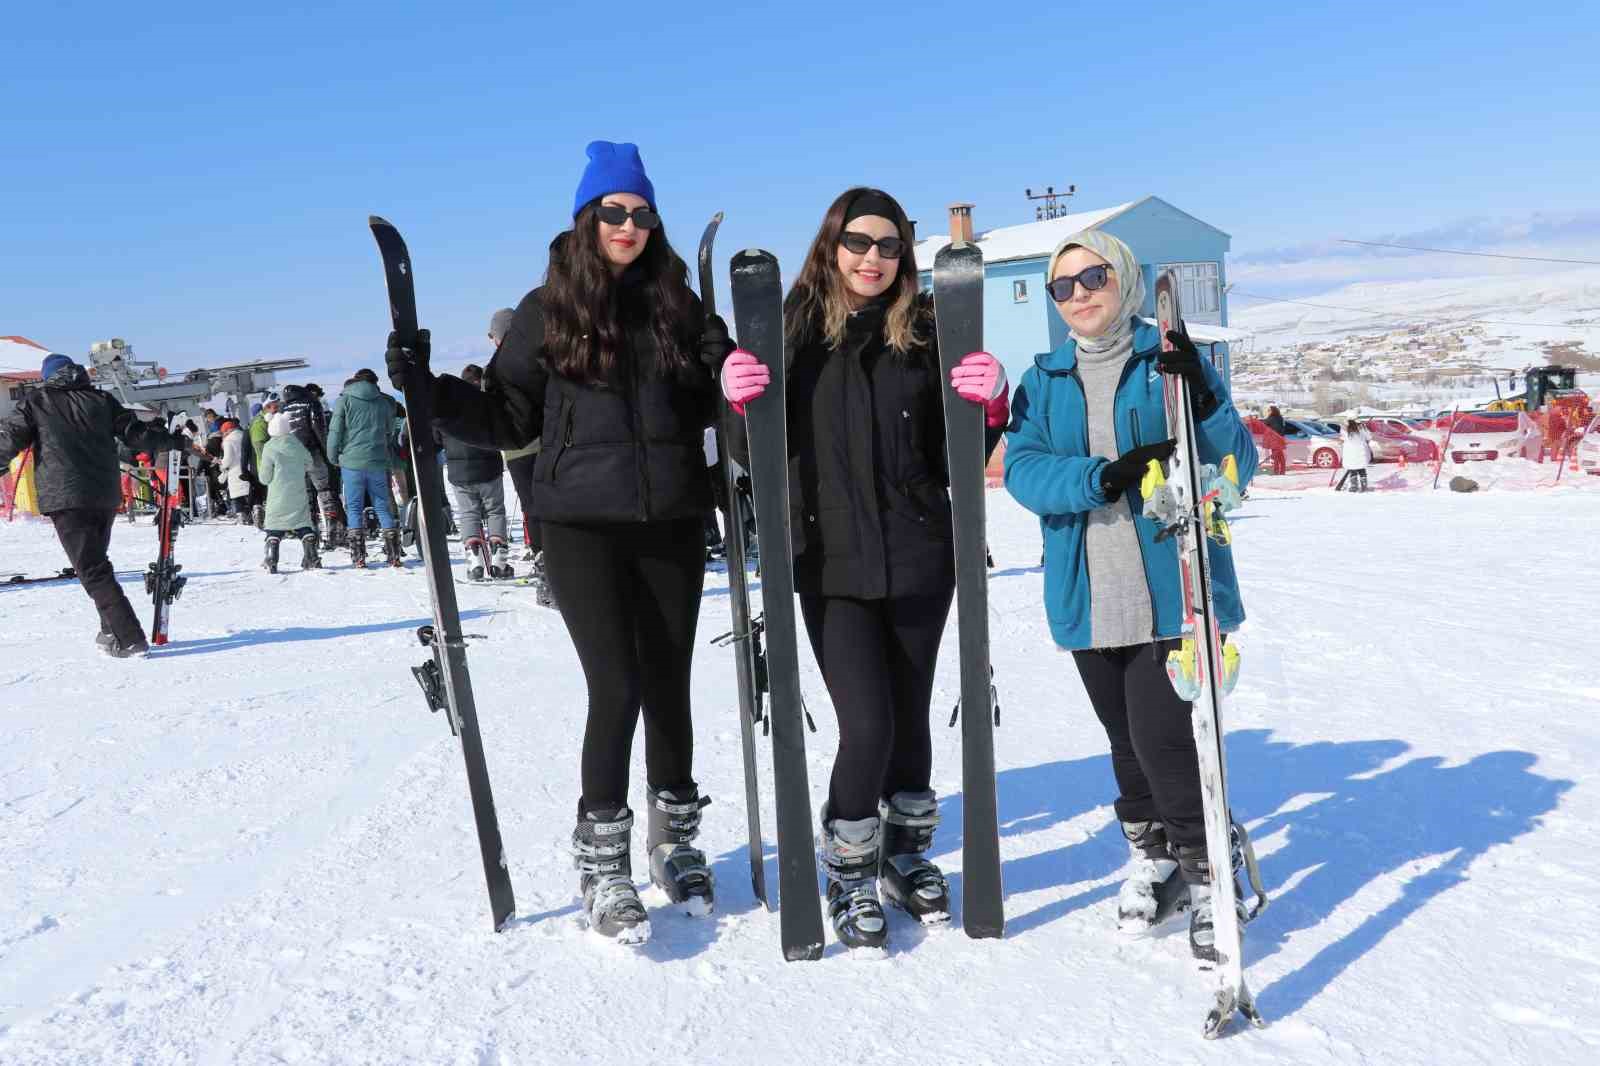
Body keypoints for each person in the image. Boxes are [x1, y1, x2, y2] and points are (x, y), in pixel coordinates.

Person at [386, 140, 724, 943]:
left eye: (641, 213)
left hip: (673, 519)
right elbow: (506, 415)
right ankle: (601, 859)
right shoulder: (547, 309)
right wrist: (429, 392)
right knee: (618, 685)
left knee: (670, 680)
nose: (628, 225)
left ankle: (674, 840)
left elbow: (717, 412)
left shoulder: (680, 304)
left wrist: (727, 370)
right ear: (587, 217)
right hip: (579, 524)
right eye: (614, 211)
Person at [718, 188, 1009, 950]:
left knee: (910, 716)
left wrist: (991, 405)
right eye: (858, 242)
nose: (873, 258)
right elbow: (759, 460)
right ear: (831, 245)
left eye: (888, 244)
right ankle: (849, 864)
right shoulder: (791, 334)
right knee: (868, 723)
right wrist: (736, 406)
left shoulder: (926, 335)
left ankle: (905, 854)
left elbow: (958, 456)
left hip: (921, 552)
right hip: (829, 562)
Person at [1002, 230, 1259, 962]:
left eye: (1093, 278)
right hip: (1089, 588)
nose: (1079, 294)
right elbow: (1023, 470)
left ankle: (1210, 871)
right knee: (1124, 741)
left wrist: (1203, 393)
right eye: (1063, 286)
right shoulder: (1044, 378)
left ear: (1125, 281)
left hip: (1173, 587)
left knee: (1164, 738)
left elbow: (1236, 461)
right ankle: (1153, 854)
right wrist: (1103, 477)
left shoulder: (1170, 361)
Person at [0, 353, 203, 656]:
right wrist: (170, 440)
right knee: (98, 563)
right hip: (104, 495)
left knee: (92, 569)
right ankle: (110, 629)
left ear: (47, 377)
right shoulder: (101, 400)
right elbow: (136, 435)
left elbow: (9, 439)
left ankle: (129, 637)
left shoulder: (36, 402)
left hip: (66, 497)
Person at [327, 370, 402, 567]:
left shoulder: (344, 401)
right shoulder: (383, 402)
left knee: (354, 507)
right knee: (381, 505)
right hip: (377, 461)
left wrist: (333, 457)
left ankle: (358, 555)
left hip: (351, 463)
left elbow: (335, 432)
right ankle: (394, 552)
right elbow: (389, 430)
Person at [492, 305, 546, 576]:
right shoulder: (539, 356)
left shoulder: (498, 367)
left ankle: (541, 555)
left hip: (517, 448)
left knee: (531, 504)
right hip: (551, 442)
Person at [444, 364, 511, 579]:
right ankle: (499, 561)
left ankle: (475, 561)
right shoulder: (489, 402)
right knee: (495, 511)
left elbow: (437, 435)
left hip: (459, 471)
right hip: (488, 466)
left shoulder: (450, 404)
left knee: (468, 513)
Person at [258, 411, 321, 572]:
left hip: (277, 495)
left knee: (274, 527)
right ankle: (311, 556)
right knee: (303, 524)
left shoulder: (269, 447)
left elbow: (264, 478)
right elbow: (309, 463)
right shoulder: (296, 444)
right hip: (298, 492)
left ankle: (272, 557)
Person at [218, 418, 253, 522]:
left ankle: (242, 516)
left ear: (227, 431)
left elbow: (228, 459)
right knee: (249, 493)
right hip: (248, 468)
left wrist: (222, 465)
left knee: (237, 496)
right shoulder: (245, 435)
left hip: (235, 471)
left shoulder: (229, 441)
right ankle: (253, 512)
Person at [1337, 419, 1371, 491]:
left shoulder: (1345, 430)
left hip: (1350, 453)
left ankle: (1354, 486)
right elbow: (1369, 437)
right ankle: (1364, 486)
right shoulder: (1362, 429)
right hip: (1361, 453)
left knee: (1353, 469)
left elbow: (1341, 439)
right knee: (1361, 469)